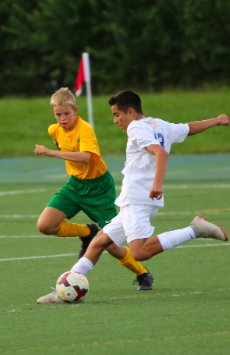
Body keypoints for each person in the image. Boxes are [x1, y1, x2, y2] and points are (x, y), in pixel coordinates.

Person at [50, 90, 230, 298]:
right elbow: (190, 128)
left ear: (130, 111)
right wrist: (216, 121)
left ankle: (195, 230)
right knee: (99, 242)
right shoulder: (159, 124)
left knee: (140, 252)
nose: (116, 121)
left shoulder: (135, 127)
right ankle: (64, 287)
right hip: (135, 200)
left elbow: (160, 152)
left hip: (139, 198)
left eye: (117, 115)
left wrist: (157, 183)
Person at [34, 87, 153, 304]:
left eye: (66, 114)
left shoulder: (85, 129)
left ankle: (142, 273)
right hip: (75, 186)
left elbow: (86, 158)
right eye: (58, 114)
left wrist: (52, 153)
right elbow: (64, 146)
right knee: (45, 225)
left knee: (111, 244)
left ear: (75, 111)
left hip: (99, 189)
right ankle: (87, 232)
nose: (62, 119)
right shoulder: (54, 130)